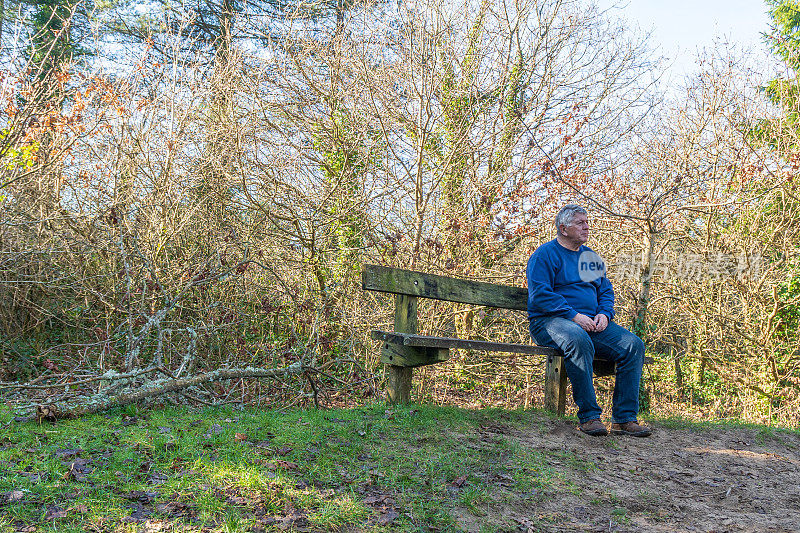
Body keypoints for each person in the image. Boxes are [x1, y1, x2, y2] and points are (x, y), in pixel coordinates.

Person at [527, 205, 651, 437]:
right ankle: (589, 416)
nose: (586, 227)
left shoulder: (590, 257)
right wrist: (574, 315)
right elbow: (541, 295)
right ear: (563, 229)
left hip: (591, 323)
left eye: (587, 222)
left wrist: (604, 314)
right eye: (580, 223)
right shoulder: (544, 255)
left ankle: (624, 419)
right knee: (578, 339)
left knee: (633, 345)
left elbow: (606, 291)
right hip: (551, 321)